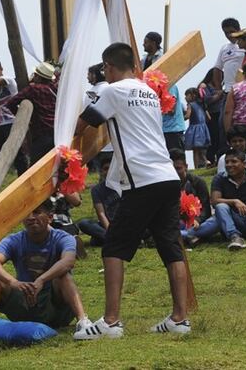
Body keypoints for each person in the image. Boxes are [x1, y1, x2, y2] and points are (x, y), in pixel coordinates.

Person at [72, 42, 190, 339]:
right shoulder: (148, 90)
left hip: (142, 178)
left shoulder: (112, 91)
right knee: (171, 248)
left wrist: (63, 139)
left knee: (113, 247)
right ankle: (180, 319)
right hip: (167, 175)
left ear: (109, 67)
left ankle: (110, 322)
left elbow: (83, 124)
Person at [0, 199, 90, 332]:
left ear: (50, 217)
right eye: (27, 213)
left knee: (63, 276)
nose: (31, 217)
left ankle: (83, 322)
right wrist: (13, 282)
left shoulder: (63, 238)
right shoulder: (13, 240)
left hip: (54, 308)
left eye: (36, 212)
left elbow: (68, 261)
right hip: (23, 301)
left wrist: (41, 280)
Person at [4, 62, 58, 165]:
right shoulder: (55, 89)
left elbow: (11, 103)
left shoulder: (33, 89)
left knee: (36, 166)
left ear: (37, 76)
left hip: (41, 133)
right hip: (57, 132)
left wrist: (25, 120)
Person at [77, 150, 118, 247]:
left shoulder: (124, 184)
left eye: (110, 168)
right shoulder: (97, 189)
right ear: (101, 171)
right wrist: (110, 231)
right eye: (105, 169)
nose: (108, 172)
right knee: (84, 224)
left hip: (124, 224)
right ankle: (116, 240)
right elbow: (101, 214)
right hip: (107, 225)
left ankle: (105, 239)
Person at [171, 151, 211, 246]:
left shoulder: (198, 183)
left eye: (178, 168)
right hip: (177, 223)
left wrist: (197, 219)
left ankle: (183, 236)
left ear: (186, 166)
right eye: (171, 169)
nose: (175, 172)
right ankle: (189, 236)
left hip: (196, 223)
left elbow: (205, 208)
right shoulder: (166, 185)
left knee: (215, 223)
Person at [198, 67, 226, 163]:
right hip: (212, 115)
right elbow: (206, 100)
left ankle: (219, 159)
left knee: (220, 138)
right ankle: (210, 159)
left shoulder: (219, 87)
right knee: (213, 138)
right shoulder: (205, 86)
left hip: (220, 113)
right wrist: (218, 96)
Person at [214, 18, 245, 93]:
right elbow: (217, 69)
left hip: (245, 89)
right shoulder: (224, 48)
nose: (229, 35)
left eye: (232, 32)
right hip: (228, 91)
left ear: (239, 30)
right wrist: (219, 89)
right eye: (226, 33)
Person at [183, 87, 211, 168]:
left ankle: (196, 167)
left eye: (187, 95)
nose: (185, 98)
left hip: (195, 129)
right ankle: (207, 162)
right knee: (201, 150)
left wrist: (180, 118)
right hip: (203, 128)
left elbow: (187, 116)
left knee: (195, 150)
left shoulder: (190, 105)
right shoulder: (202, 105)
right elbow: (209, 118)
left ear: (193, 95)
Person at [161, 83, 186, 153]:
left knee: (177, 160)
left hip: (173, 130)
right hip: (165, 130)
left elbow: (171, 110)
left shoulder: (170, 86)